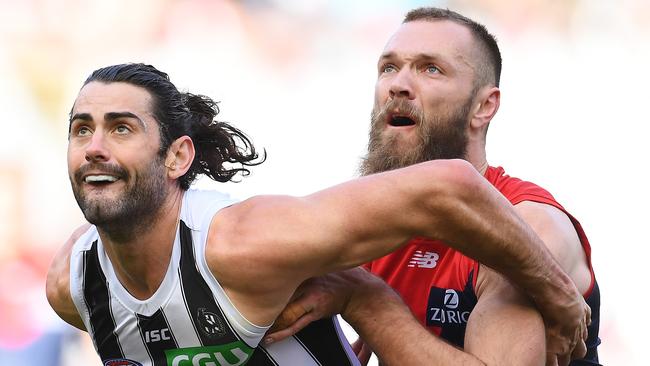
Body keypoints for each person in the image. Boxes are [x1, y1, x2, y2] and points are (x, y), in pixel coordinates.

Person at [46, 63, 589, 366]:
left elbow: (448, 184)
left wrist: (561, 297)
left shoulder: (242, 243)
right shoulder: (71, 286)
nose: (94, 147)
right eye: (80, 129)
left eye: (121, 128)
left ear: (178, 157)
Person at [265, 7, 601, 366]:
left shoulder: (530, 223)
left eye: (430, 69)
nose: (398, 84)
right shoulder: (377, 225)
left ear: (483, 106)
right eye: (389, 67)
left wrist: (366, 302)